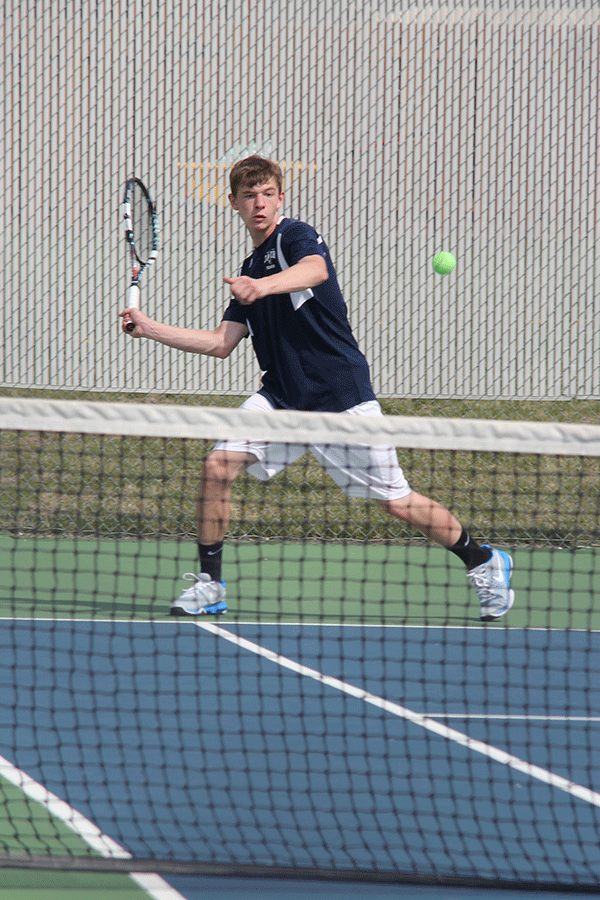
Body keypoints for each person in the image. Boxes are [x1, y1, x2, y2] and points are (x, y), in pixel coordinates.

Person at [120, 155, 514, 621]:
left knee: (398, 502)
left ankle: (483, 560)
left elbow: (315, 271)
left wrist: (261, 288)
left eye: (267, 193)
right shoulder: (248, 268)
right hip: (283, 399)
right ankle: (210, 583)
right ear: (233, 204)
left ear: (280, 197)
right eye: (249, 196)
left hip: (340, 398)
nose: (259, 203)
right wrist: (150, 328)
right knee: (217, 465)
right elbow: (221, 343)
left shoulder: (294, 236)